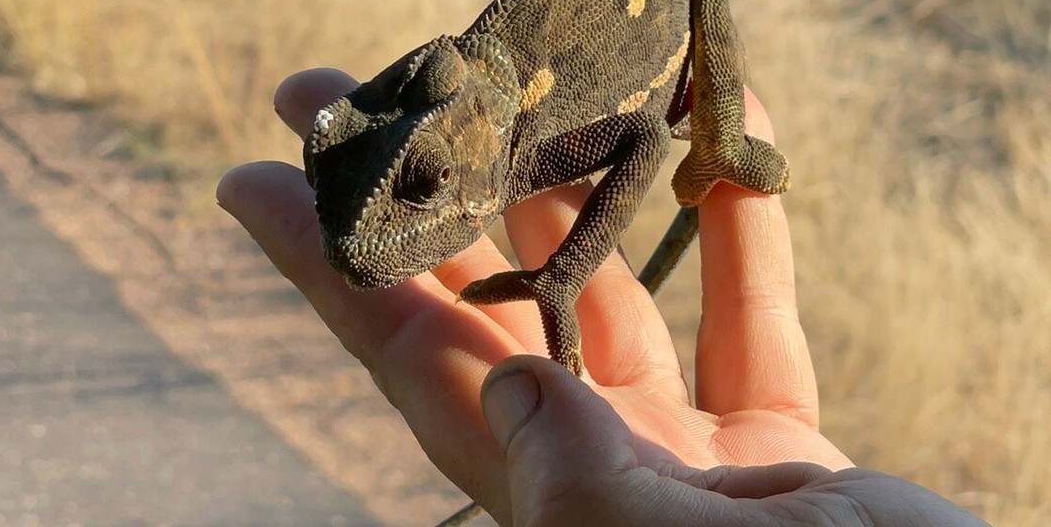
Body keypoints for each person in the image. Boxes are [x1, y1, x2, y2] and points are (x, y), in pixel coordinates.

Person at [218, 67, 990, 527]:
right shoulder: (500, 126)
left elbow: (650, 138)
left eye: (429, 183)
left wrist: (564, 273)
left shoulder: (512, 133)